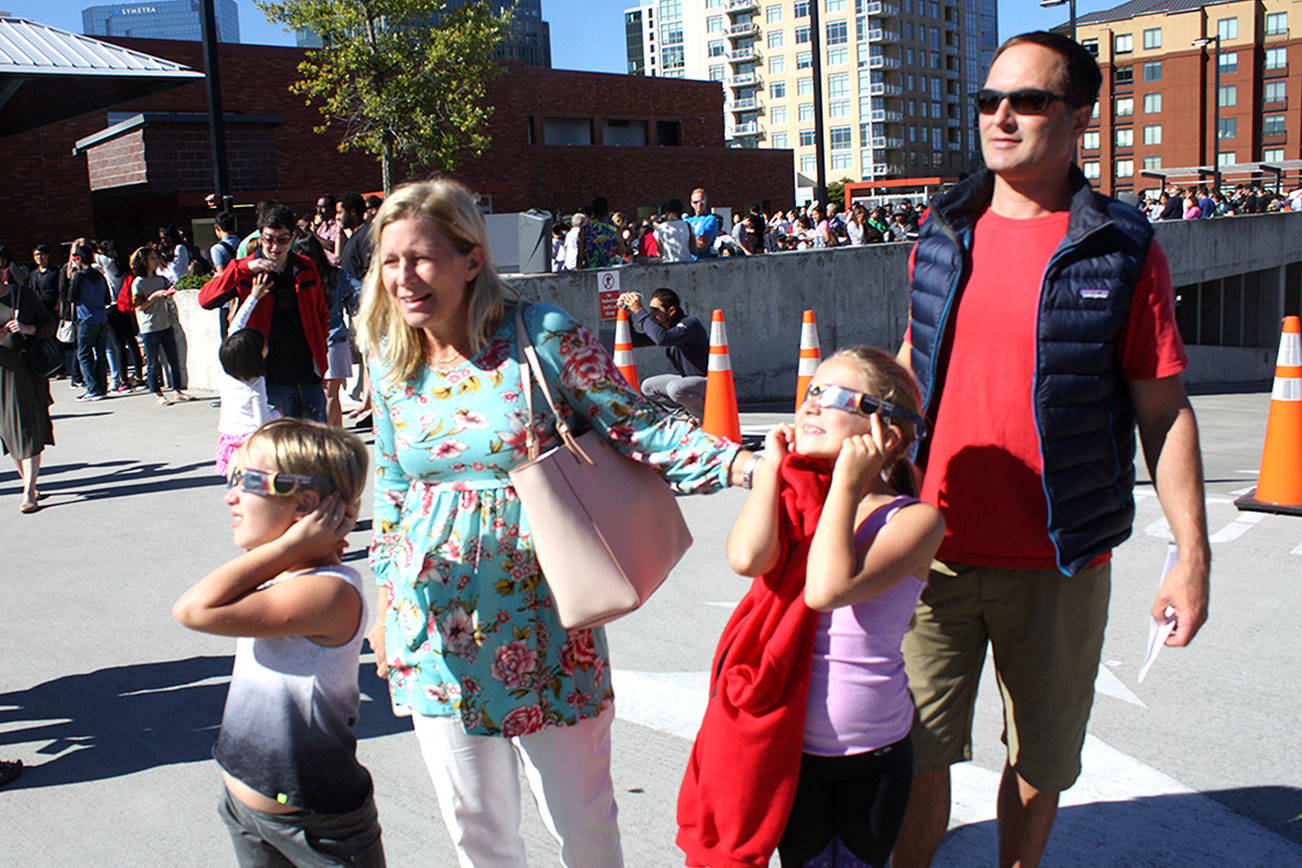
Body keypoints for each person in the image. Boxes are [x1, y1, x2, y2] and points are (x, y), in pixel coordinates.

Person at [357, 177, 754, 867]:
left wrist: (743, 466)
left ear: (471, 258)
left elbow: (636, 427)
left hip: (545, 621)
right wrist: (386, 598)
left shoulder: (537, 336)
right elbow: (392, 488)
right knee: (475, 829)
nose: (403, 278)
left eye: (421, 258)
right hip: (436, 629)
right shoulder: (393, 361)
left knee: (581, 823)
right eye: (390, 262)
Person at [891, 32, 1210, 868]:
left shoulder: (1122, 247)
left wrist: (1191, 555)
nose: (1002, 116)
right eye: (989, 100)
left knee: (1039, 767)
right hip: (931, 551)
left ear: (1077, 118)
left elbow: (1164, 412)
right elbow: (913, 360)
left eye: (1027, 100)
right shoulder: (942, 229)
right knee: (915, 755)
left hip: (1061, 560)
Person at [678, 347, 944, 868]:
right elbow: (748, 557)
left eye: (835, 395)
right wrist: (771, 470)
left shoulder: (912, 521)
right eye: (811, 393)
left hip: (872, 755)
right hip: (791, 748)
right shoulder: (798, 500)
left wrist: (846, 483)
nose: (812, 405)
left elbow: (826, 588)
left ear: (884, 431)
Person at [171, 417, 385, 868]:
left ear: (306, 504)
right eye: (231, 475)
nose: (230, 494)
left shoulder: (326, 592)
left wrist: (288, 548)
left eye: (246, 480)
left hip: (318, 829)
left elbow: (194, 610)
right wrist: (289, 550)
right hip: (247, 809)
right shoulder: (282, 576)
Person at [199, 204, 330, 422]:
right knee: (279, 449)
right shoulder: (245, 269)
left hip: (309, 374)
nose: (275, 246)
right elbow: (205, 299)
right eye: (268, 239)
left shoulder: (306, 267)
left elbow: (321, 313)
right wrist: (245, 268)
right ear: (260, 236)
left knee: (317, 447)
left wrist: (321, 347)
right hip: (269, 377)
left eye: (283, 239)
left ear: (294, 237)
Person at [0, 271, 56, 513]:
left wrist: (27, 328)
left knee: (27, 429)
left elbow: (49, 325)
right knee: (9, 431)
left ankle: (29, 492)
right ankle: (27, 482)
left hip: (23, 371)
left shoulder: (22, 295)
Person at [617, 288, 708, 420]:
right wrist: (628, 317)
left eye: (656, 310)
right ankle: (686, 417)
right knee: (648, 386)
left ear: (671, 311)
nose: (652, 315)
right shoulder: (665, 329)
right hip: (687, 381)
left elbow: (663, 339)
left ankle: (705, 417)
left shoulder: (690, 324)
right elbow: (635, 341)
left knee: (675, 388)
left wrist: (640, 311)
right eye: (650, 310)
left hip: (707, 382)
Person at [214, 290, 279, 475]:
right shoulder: (256, 383)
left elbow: (234, 327)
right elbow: (262, 421)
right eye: (263, 345)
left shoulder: (227, 371)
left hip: (229, 441)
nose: (267, 346)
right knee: (255, 491)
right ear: (255, 355)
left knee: (237, 489)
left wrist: (253, 297)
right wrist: (278, 413)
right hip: (251, 445)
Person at [130, 246, 188, 405]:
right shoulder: (138, 283)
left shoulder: (161, 279)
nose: (156, 261)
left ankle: (178, 390)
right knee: (153, 362)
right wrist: (155, 296)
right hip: (149, 327)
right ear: (143, 262)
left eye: (156, 257)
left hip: (165, 323)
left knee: (173, 359)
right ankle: (158, 393)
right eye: (152, 258)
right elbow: (140, 306)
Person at [68, 244, 112, 401]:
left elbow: (71, 297)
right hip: (101, 317)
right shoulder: (100, 276)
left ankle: (93, 388)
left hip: (86, 318)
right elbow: (108, 299)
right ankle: (102, 386)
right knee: (100, 353)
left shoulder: (79, 276)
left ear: (78, 259)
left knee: (84, 354)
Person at [686, 188, 722, 259]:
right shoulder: (689, 220)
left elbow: (702, 246)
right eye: (695, 202)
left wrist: (687, 241)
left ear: (706, 202)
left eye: (702, 201)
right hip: (689, 261)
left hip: (703, 262)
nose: (699, 205)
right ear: (691, 203)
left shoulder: (710, 219)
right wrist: (695, 240)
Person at [654, 199, 693, 264]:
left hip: (668, 264)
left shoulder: (660, 229)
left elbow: (659, 251)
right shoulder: (688, 226)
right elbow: (693, 249)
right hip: (687, 263)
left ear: (667, 212)